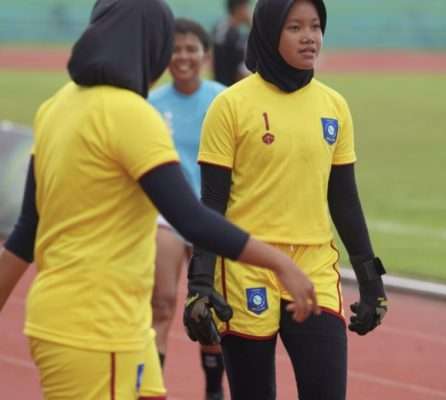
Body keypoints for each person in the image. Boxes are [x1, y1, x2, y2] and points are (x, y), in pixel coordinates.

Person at [0, 1, 319, 399]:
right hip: (96, 329)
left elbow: (26, 231)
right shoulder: (133, 115)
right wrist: (279, 262)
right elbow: (189, 218)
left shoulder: (56, 106)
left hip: (113, 325)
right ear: (151, 46)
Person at [182, 1, 389, 399]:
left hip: (314, 268)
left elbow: (344, 200)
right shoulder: (230, 105)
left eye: (315, 26)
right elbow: (211, 202)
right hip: (245, 269)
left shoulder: (334, 106)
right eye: (295, 27)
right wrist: (200, 282)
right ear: (269, 31)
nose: (309, 36)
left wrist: (370, 278)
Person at [147, 18, 227, 400]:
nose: (183, 56)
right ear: (165, 55)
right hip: (166, 216)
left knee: (207, 307)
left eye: (191, 49)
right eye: (175, 49)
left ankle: (213, 390)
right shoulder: (150, 103)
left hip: (210, 215)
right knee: (161, 302)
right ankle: (152, 388)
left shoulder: (222, 99)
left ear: (205, 55)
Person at [212, 0, 252, 86]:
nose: (250, 11)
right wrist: (252, 26)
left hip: (223, 83)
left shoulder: (222, 27)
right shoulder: (229, 33)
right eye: (247, 7)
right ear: (240, 8)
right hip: (227, 85)